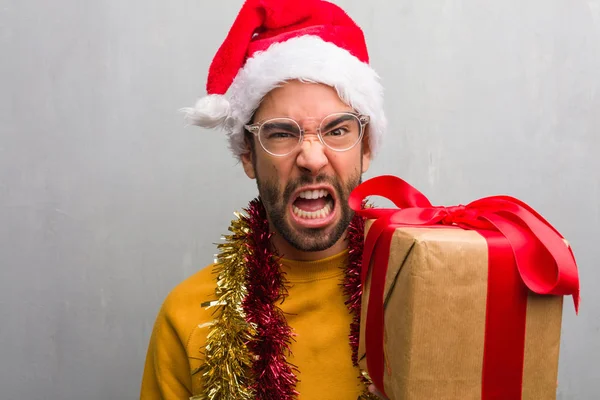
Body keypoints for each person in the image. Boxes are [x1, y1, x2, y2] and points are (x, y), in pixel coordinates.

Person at [140, 0, 387, 398]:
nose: (310, 158)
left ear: (367, 147)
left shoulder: (421, 290)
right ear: (247, 155)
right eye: (282, 133)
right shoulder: (188, 317)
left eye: (337, 131)